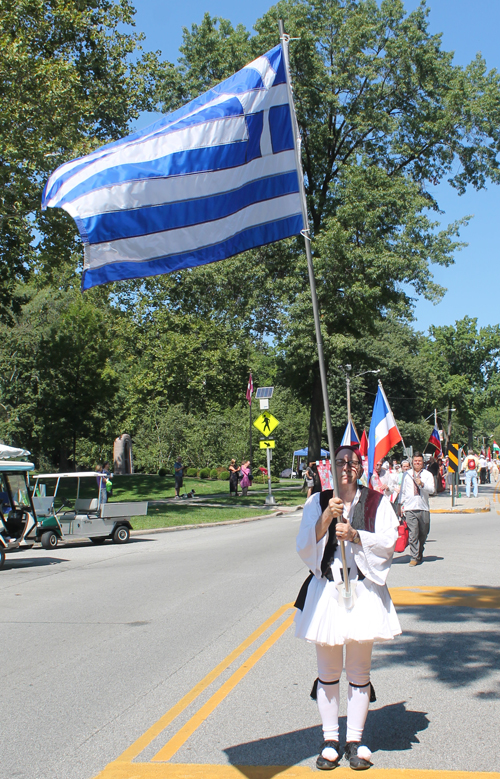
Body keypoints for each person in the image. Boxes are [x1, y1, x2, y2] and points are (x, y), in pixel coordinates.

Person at [295, 445, 401, 771]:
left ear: (360, 467)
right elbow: (303, 545)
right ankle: (330, 739)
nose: (346, 468)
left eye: (352, 463)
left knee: (358, 672)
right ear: (332, 466)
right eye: (341, 462)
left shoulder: (377, 503)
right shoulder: (318, 500)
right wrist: (328, 515)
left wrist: (356, 536)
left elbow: (388, 542)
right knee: (327, 672)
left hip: (363, 591)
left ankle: (355, 740)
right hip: (328, 591)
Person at [399, 451, 435, 566]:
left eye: (419, 461)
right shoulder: (407, 474)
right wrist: (400, 504)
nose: (417, 463)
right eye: (415, 461)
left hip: (423, 507)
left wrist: (422, 484)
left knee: (423, 533)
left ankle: (419, 551)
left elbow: (432, 490)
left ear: (423, 462)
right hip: (410, 508)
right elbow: (403, 491)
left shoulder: (427, 475)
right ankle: (414, 557)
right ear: (412, 462)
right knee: (413, 533)